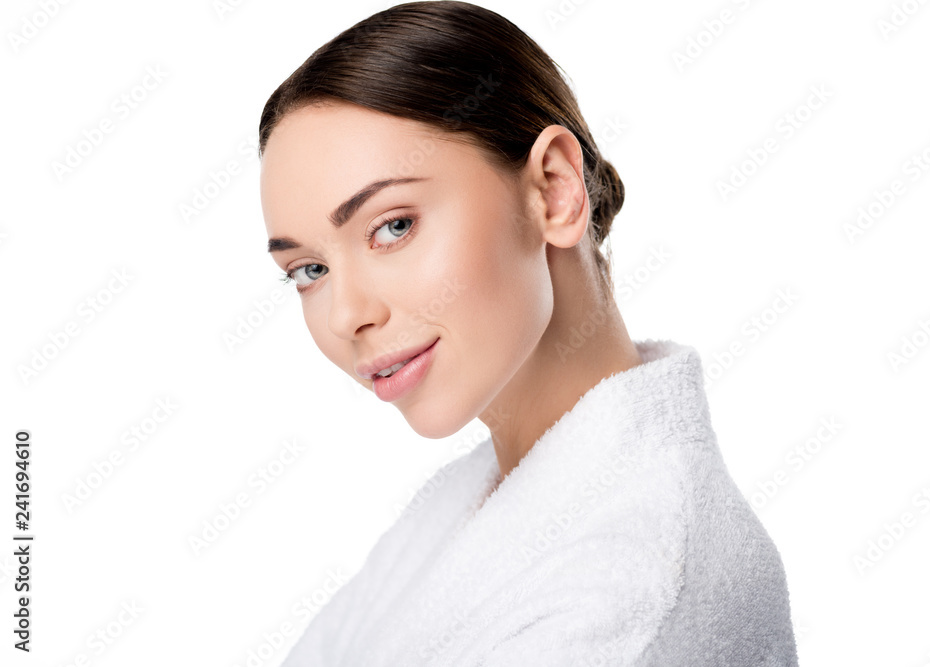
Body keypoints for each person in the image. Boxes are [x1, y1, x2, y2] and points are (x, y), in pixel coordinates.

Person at [257, 2, 798, 664]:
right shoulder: (464, 510)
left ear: (554, 190)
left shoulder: (628, 591)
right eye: (309, 269)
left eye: (393, 225)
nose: (346, 315)